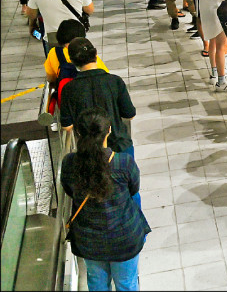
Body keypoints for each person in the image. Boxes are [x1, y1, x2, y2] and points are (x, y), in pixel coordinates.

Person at [60, 107, 149, 292]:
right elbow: (134, 190)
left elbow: (69, 190)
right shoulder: (123, 162)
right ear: (109, 130)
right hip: (124, 238)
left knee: (97, 284)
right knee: (127, 284)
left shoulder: (69, 163)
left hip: (89, 240)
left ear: (77, 132)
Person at [60, 38, 137, 158]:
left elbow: (67, 126)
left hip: (88, 152)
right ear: (96, 54)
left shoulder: (68, 89)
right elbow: (129, 114)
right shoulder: (115, 81)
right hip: (119, 147)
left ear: (71, 60)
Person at [43, 19, 108, 84]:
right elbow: (106, 75)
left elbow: (50, 79)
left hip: (70, 91)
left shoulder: (54, 52)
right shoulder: (88, 52)